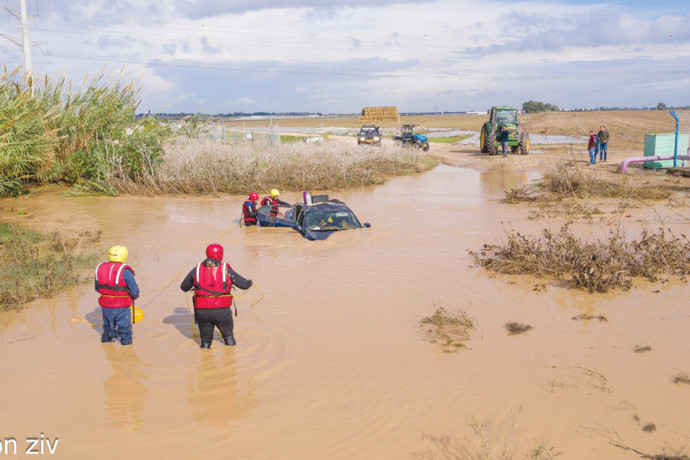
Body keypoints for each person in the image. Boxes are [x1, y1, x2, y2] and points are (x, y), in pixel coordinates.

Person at [180, 243, 253, 349]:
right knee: (229, 341)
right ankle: (231, 363)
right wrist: (250, 282)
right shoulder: (225, 269)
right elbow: (244, 285)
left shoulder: (197, 269)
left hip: (202, 313)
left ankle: (205, 363)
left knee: (205, 344)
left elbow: (184, 287)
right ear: (221, 254)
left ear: (207, 253)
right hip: (222, 313)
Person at [95, 245, 140, 345]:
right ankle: (126, 352)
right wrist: (133, 297)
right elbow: (135, 291)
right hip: (122, 307)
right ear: (124, 256)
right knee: (125, 332)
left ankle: (106, 348)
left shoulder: (100, 268)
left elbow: (97, 288)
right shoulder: (125, 271)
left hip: (105, 306)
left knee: (106, 329)